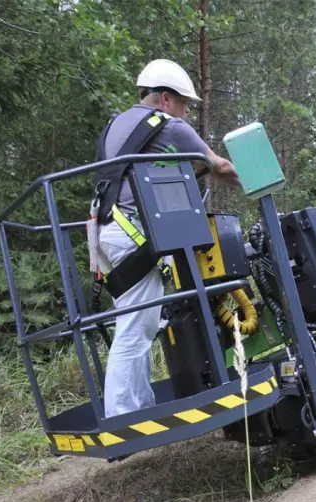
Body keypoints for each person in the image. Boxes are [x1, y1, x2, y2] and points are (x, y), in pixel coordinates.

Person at [95, 59, 239, 418]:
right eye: (184, 104)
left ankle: (140, 408)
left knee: (137, 323)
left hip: (106, 231)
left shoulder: (117, 124)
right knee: (136, 328)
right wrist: (256, 180)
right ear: (164, 99)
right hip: (132, 233)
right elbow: (219, 166)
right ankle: (122, 419)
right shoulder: (167, 125)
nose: (186, 113)